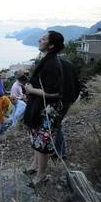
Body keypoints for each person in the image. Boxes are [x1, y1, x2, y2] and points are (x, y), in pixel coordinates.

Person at [23, 31, 66, 185]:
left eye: (44, 38)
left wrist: (31, 90)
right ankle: (35, 166)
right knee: (36, 139)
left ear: (51, 45)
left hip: (48, 111)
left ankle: (41, 176)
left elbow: (55, 92)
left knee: (43, 144)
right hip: (39, 108)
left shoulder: (52, 63)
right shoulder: (46, 59)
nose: (40, 40)